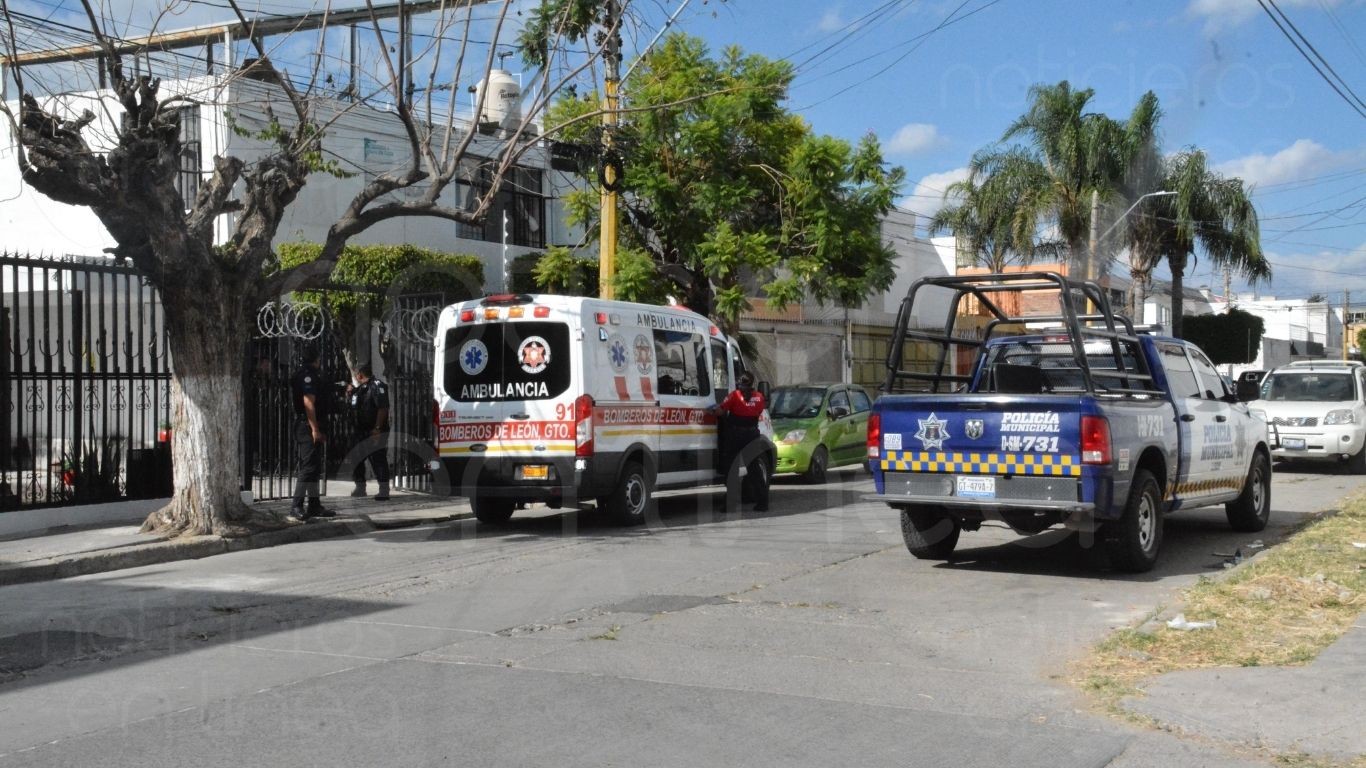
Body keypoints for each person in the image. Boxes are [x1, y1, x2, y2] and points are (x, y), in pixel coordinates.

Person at [710, 372, 769, 512]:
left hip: (736, 436)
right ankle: (763, 503)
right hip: (752, 435)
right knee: (754, 470)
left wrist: (712, 410)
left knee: (732, 470)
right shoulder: (759, 397)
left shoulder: (734, 395)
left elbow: (720, 411)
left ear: (740, 382)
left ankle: (730, 504)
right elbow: (759, 411)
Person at [289, 347, 334, 520]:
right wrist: (315, 429)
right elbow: (308, 402)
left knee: (314, 467)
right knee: (308, 467)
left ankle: (314, 505)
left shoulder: (305, 374)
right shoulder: (308, 376)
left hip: (311, 424)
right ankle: (296, 506)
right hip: (307, 426)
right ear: (317, 359)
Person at [347, 363, 391, 501]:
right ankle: (360, 487)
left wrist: (377, 428)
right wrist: (350, 393)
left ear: (360, 375)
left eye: (356, 375)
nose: (355, 377)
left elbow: (383, 408)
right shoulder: (361, 389)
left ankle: (384, 490)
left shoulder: (377, 386)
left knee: (378, 459)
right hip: (360, 430)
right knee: (356, 458)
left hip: (374, 430)